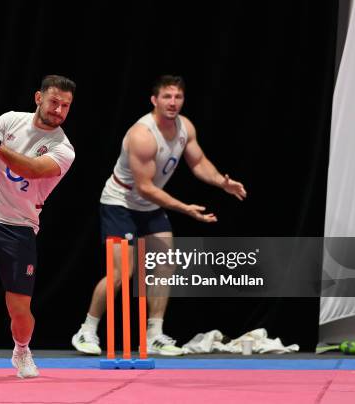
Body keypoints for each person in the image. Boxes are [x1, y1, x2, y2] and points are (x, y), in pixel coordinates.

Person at [71, 75, 246, 356]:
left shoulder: (184, 127)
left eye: (177, 97)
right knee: (121, 273)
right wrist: (185, 208)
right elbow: (145, 187)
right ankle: (87, 329)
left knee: (164, 266)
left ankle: (154, 334)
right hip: (121, 203)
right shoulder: (142, 135)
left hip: (149, 207)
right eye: (167, 97)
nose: (172, 103)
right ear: (155, 100)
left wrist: (221, 182)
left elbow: (199, 162)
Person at [0, 75, 76, 383]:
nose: (59, 110)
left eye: (65, 106)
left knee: (19, 308)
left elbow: (30, 170)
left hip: (20, 228)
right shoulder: (9, 121)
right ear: (38, 98)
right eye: (54, 102)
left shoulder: (64, 149)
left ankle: (22, 350)